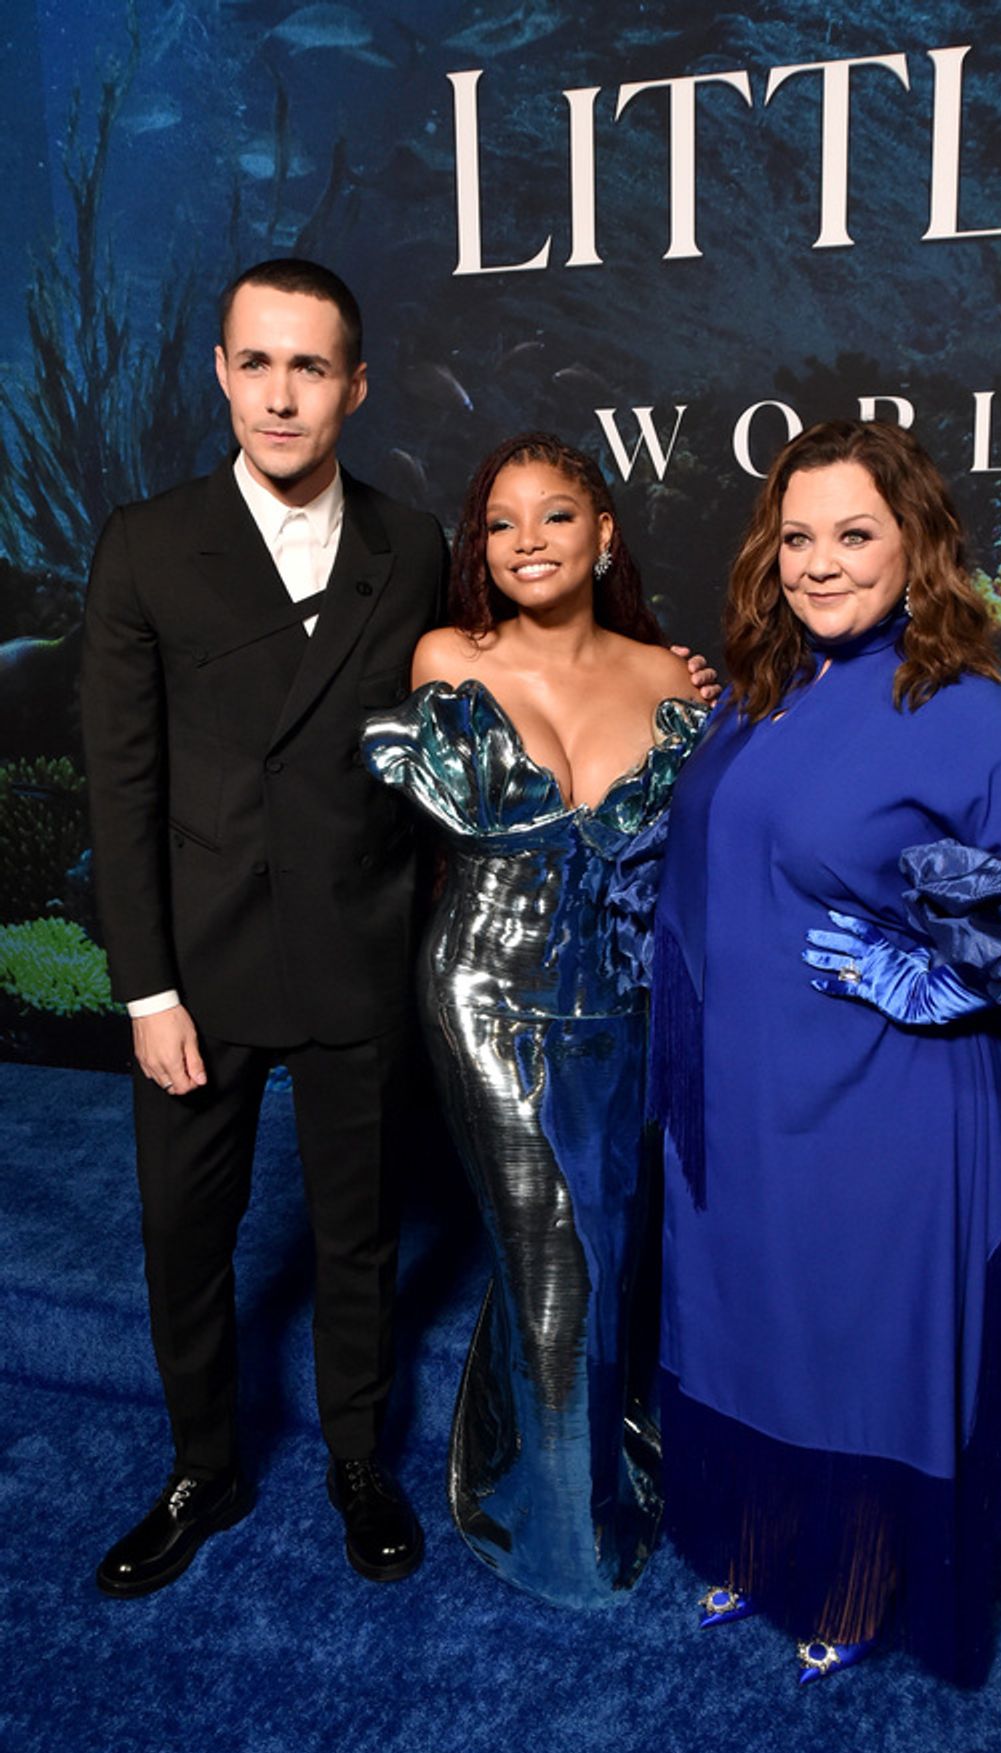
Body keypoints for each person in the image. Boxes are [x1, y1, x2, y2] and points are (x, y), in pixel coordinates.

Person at [651, 420, 1001, 1684]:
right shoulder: (764, 690)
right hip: (741, 1102)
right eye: (797, 538)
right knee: (748, 1327)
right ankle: (761, 1542)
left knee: (858, 1352)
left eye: (856, 536)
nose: (821, 565)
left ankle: (851, 1581)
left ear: (918, 550)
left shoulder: (959, 708)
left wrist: (952, 976)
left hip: (880, 1112)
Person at [81, 259, 446, 1595]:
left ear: (355, 384)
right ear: (220, 371)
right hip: (198, 964)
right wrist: (145, 989)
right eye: (255, 362)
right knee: (186, 1228)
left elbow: (473, 711)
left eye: (309, 367)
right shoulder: (145, 542)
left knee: (358, 1228)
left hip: (357, 946)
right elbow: (122, 787)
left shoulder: (413, 545)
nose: (279, 395)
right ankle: (202, 1463)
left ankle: (360, 1455)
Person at [361, 432, 708, 1606]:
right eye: (500, 523)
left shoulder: (673, 677)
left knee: (610, 1247)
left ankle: (561, 1457)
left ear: (604, 534)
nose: (526, 542)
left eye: (555, 517)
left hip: (625, 996)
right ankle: (559, 1531)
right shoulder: (448, 657)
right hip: (489, 989)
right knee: (547, 1246)